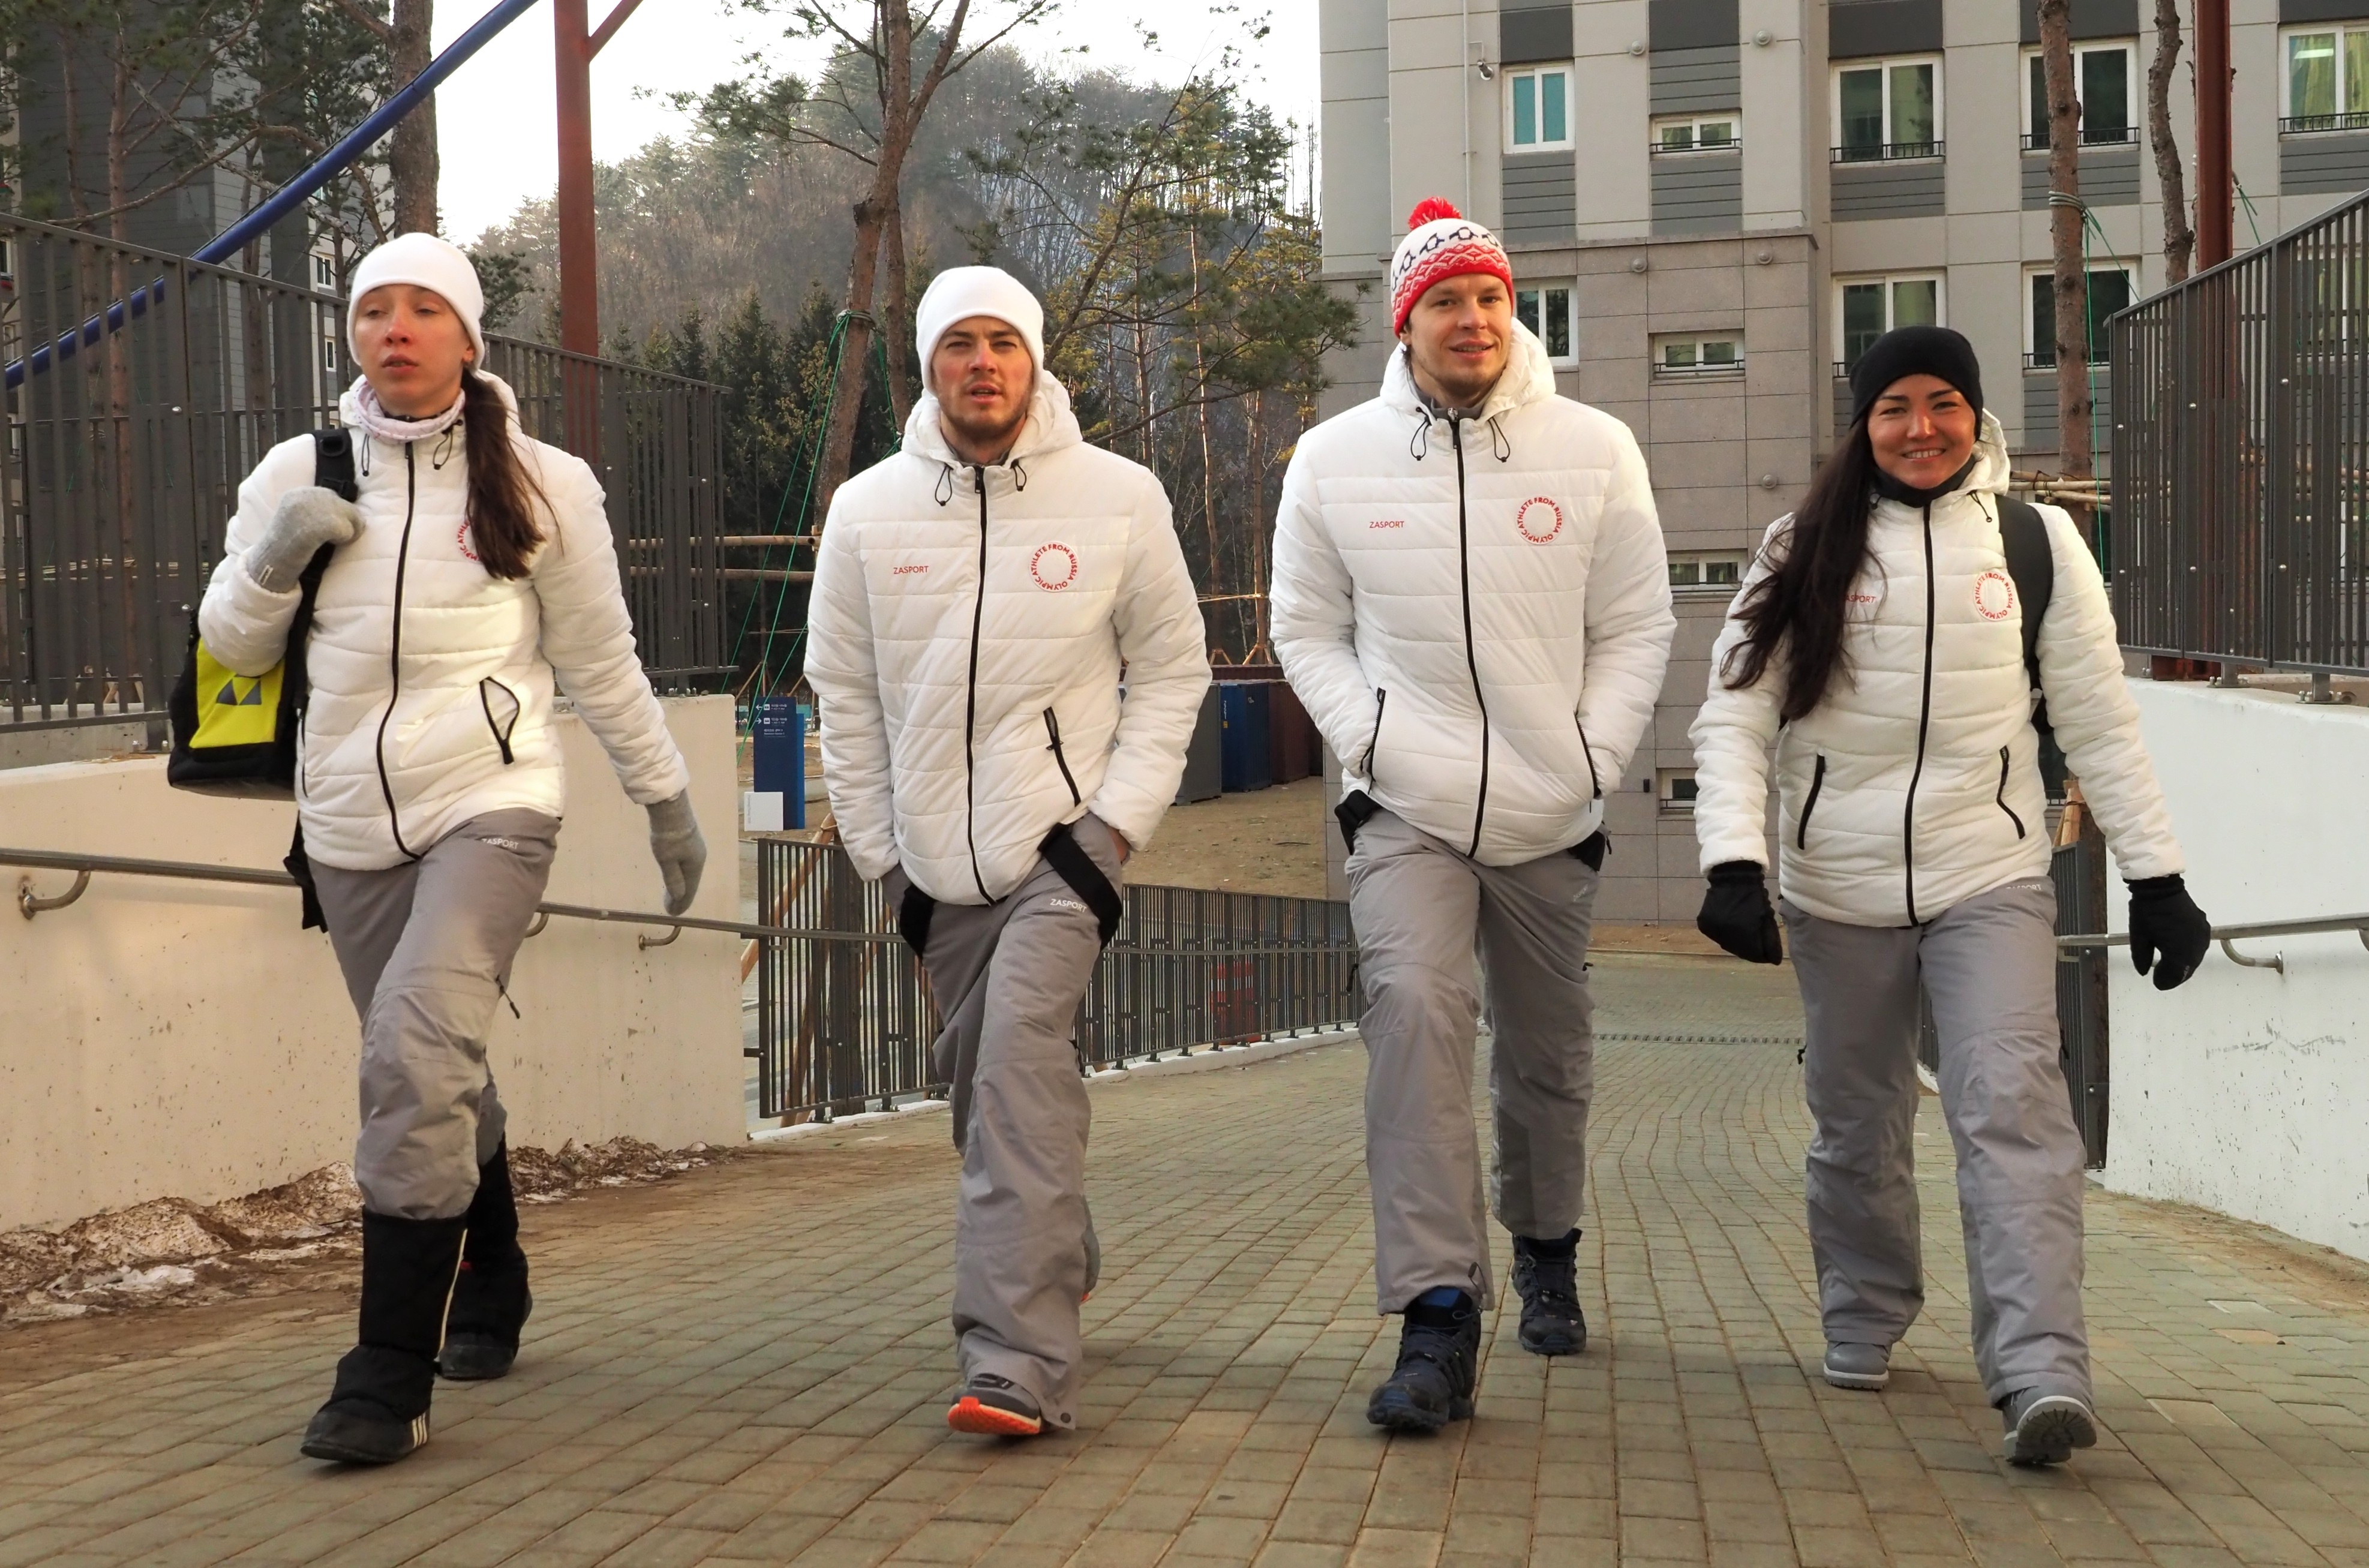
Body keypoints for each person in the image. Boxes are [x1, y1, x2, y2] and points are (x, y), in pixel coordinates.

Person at [199, 233, 707, 1466]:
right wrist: (272, 563)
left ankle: (385, 1370)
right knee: (431, 1067)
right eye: (376, 310)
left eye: (426, 309)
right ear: (354, 335)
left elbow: (598, 660)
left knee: (416, 1051)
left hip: (494, 801)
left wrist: (665, 798)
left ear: (470, 339)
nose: (398, 329)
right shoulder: (295, 471)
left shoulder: (540, 481)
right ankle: (495, 1269)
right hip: (346, 826)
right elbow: (230, 646)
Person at [1688, 325, 2212, 1467]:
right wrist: (1734, 861)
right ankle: (1866, 1313)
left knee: (2014, 1108)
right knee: (1858, 1122)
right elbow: (1733, 715)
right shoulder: (1802, 542)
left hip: (1990, 875)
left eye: (1942, 404)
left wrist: (2156, 876)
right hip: (1837, 889)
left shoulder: (2038, 543)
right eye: (1893, 408)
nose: (1919, 428)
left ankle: (2039, 1373)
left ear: (1976, 415)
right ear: (1862, 422)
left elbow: (2096, 719)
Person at [1271, 199, 1676, 1434]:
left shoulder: (1597, 448)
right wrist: (1378, 741)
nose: (1471, 319)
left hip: (1551, 812)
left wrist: (1591, 756)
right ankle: (1436, 1313)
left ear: (1514, 310)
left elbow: (1636, 626)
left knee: (1546, 1061)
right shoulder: (1332, 458)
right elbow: (1305, 627)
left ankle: (1545, 1238)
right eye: (1444, 300)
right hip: (1405, 808)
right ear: (1405, 321)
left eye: (1489, 296)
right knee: (1415, 1016)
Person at [805, 266, 1210, 1438]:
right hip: (930, 872)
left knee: (1019, 1063)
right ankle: (1058, 1246)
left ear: (1034, 362)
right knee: (986, 1097)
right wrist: (884, 860)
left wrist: (1111, 828)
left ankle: (1016, 1359)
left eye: (1002, 342)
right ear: (929, 366)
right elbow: (846, 694)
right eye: (958, 344)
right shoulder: (868, 510)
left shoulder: (1119, 497)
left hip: (1059, 858)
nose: (982, 362)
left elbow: (1173, 668)